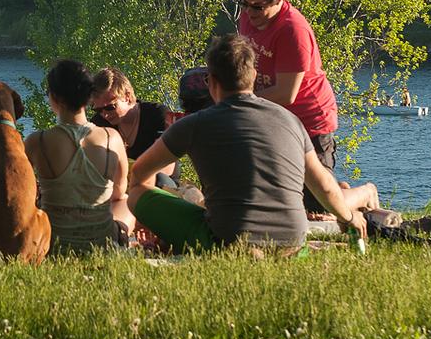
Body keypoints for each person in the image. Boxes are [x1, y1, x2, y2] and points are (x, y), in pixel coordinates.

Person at [128, 35, 378, 254]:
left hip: (228, 243)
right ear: (254, 77)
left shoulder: (193, 124)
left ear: (211, 81)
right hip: (293, 242)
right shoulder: (290, 120)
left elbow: (139, 173)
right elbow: (324, 186)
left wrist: (157, 224)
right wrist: (349, 216)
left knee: (137, 192)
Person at [236, 0, 339, 214]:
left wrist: (239, 101)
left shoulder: (293, 30)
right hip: (274, 118)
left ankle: (364, 194)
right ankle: (342, 190)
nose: (250, 13)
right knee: (282, 203)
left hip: (310, 122)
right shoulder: (249, 16)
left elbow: (286, 93)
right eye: (244, 3)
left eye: (258, 7)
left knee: (320, 208)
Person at [24, 59, 131, 252]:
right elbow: (118, 191)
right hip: (102, 243)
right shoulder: (112, 138)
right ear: (89, 97)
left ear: (54, 97)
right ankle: (120, 236)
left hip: (53, 243)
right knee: (125, 199)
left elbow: (21, 190)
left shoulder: (37, 141)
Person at [89, 67, 176, 182]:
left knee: (159, 179)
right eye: (98, 110)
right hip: (120, 187)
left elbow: (167, 168)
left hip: (161, 186)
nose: (105, 114)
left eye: (110, 107)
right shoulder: (98, 124)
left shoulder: (157, 114)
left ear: (127, 97)